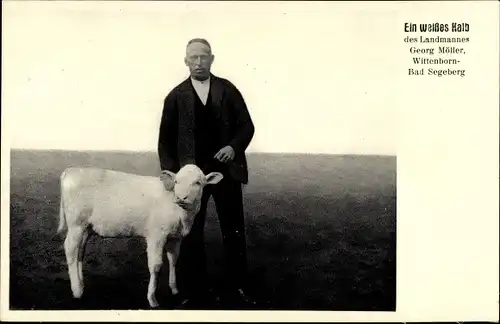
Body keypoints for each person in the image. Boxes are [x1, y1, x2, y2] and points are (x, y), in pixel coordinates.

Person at [157, 38, 256, 308]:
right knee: (190, 233)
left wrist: (234, 148)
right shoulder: (175, 96)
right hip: (191, 181)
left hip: (226, 174)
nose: (198, 62)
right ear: (185, 60)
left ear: (212, 59)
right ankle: (193, 291)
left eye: (203, 57)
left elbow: (247, 127)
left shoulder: (228, 90)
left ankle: (238, 287)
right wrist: (170, 174)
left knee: (233, 231)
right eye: (193, 57)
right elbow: (165, 141)